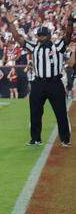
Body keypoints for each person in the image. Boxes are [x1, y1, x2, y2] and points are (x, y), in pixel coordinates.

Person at [23, 19, 73, 147]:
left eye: (43, 36)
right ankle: (35, 139)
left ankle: (65, 139)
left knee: (60, 112)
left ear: (49, 36)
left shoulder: (57, 47)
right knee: (35, 112)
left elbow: (67, 37)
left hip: (54, 82)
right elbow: (19, 39)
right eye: (39, 36)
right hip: (38, 83)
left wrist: (70, 23)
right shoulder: (34, 48)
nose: (41, 38)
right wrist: (11, 24)